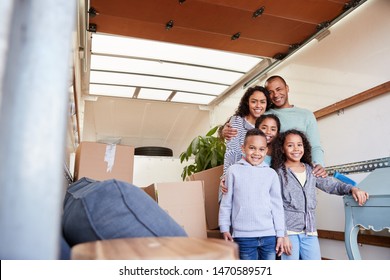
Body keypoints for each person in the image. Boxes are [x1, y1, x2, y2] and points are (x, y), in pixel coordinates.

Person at [271, 129, 369, 260]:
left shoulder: (312, 170)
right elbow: (276, 206)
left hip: (310, 231)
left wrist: (352, 189)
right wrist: (282, 234)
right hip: (288, 232)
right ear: (282, 149)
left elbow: (332, 186)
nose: (296, 149)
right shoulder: (278, 174)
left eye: (299, 145)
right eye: (290, 145)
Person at [221, 75, 326, 177]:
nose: (276, 95)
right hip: (266, 172)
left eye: (279, 89)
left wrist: (318, 164)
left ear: (287, 88)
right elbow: (244, 126)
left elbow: (315, 146)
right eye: (270, 92)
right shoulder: (264, 114)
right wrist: (223, 131)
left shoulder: (306, 115)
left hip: (299, 173)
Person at [219, 128, 285, 260]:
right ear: (243, 148)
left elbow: (277, 206)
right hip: (243, 237)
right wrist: (224, 228)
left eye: (261, 149)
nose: (256, 153)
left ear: (266, 151)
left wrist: (280, 234)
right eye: (252, 148)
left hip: (269, 236)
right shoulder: (233, 171)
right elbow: (226, 203)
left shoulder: (271, 174)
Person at [219, 85, 271, 201]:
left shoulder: (267, 126)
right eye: (254, 101)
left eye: (262, 102)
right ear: (247, 103)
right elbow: (231, 153)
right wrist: (226, 176)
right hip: (235, 179)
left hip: (257, 183)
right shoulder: (237, 121)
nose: (258, 106)